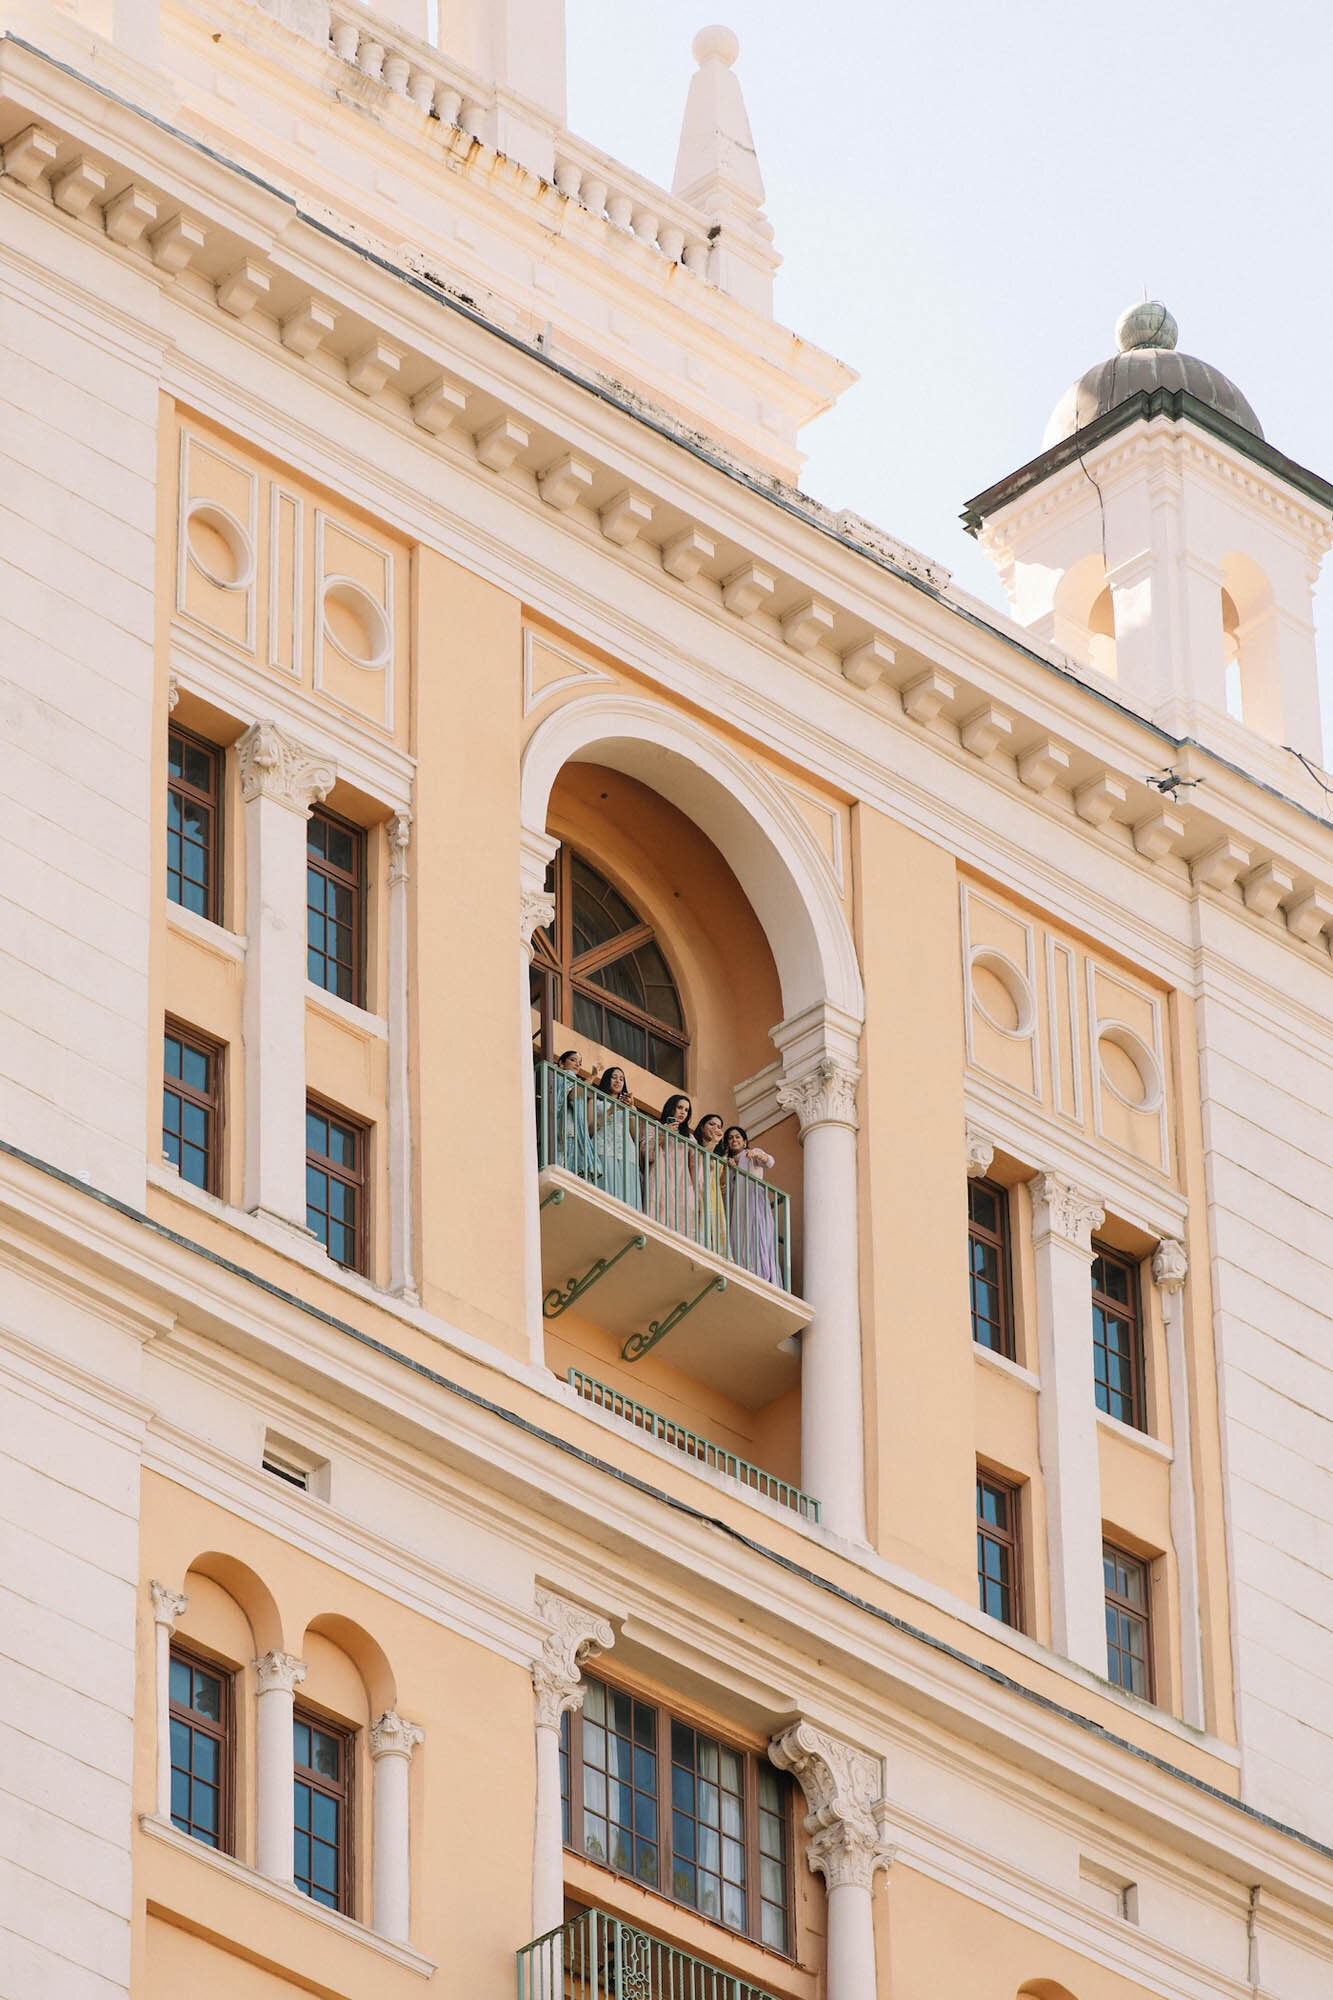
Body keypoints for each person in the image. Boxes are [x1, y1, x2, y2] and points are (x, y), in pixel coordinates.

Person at [716, 1125, 780, 1283]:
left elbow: (770, 1162)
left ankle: (757, 1269)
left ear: (745, 1141)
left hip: (753, 1200)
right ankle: (741, 1266)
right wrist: (731, 1169)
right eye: (730, 1138)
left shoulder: (751, 1154)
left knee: (754, 1232)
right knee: (739, 1233)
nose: (734, 1140)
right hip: (736, 1206)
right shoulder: (728, 1162)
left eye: (737, 1137)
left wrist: (758, 1155)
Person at [588, 1065, 641, 1207]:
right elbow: (591, 1129)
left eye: (622, 1079)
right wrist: (611, 1110)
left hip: (627, 1153)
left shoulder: (630, 1107)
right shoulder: (596, 1100)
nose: (618, 1081)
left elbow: (635, 1136)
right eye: (614, 1077)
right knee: (606, 1193)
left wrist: (630, 1111)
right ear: (606, 1080)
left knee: (626, 1196)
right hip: (604, 1149)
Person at [643, 1093, 693, 1234]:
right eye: (680, 1108)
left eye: (686, 1110)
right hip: (661, 1175)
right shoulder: (656, 1126)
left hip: (682, 1181)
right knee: (659, 1215)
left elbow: (697, 1163)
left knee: (681, 1222)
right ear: (671, 1108)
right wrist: (665, 1132)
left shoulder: (689, 1137)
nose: (683, 1112)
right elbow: (648, 1152)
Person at [692, 1112, 728, 1256]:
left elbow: (722, 1183)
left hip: (714, 1196)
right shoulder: (694, 1145)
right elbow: (700, 1164)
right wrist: (713, 1142)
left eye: (718, 1126)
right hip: (698, 1190)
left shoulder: (721, 1156)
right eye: (711, 1124)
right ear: (702, 1127)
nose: (715, 1128)